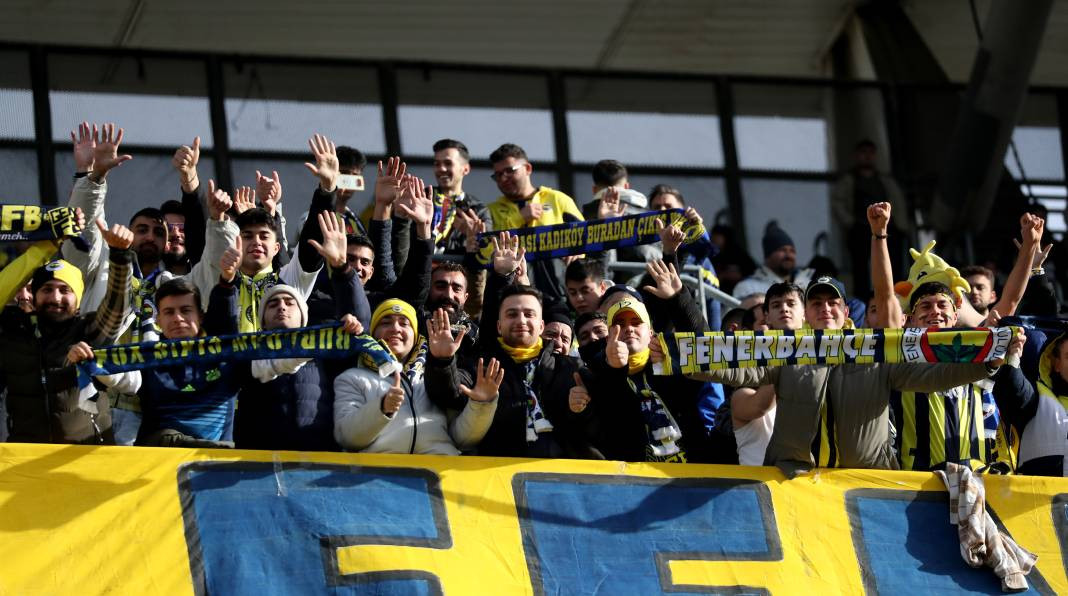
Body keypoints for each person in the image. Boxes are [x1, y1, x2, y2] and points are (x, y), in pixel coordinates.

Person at [682, 275, 1003, 476]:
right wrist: (681, 358)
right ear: (806, 313)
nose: (825, 309)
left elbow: (936, 377)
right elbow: (738, 367)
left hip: (868, 485)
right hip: (796, 482)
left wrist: (986, 364)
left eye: (833, 302)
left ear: (846, 312)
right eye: (817, 303)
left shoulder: (877, 352)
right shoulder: (787, 352)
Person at [426, 231, 587, 458]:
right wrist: (442, 361)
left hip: (564, 483)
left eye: (528, 314)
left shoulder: (572, 369)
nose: (521, 320)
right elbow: (446, 394)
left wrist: (581, 410)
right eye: (512, 314)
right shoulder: (482, 367)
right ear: (499, 326)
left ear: (542, 326)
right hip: (501, 481)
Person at [0, 217, 133, 444]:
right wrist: (46, 246)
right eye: (47, 289)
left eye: (65, 290)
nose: (55, 298)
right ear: (35, 295)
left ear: (78, 300)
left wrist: (120, 257)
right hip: (25, 458)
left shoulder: (89, 330)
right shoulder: (14, 331)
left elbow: (115, 310)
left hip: (87, 457)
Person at [571, 259, 711, 463]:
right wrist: (615, 370)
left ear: (651, 332)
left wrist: (678, 299)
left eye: (636, 322)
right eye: (619, 323)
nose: (628, 328)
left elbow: (705, 350)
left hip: (697, 478)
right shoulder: (596, 379)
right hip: (637, 487)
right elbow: (613, 418)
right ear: (609, 335)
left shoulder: (671, 364)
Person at [333, 299, 501, 454]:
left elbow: (463, 440)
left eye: (404, 323)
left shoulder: (434, 376)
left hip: (435, 476)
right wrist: (382, 408)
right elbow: (347, 437)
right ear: (373, 333)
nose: (395, 329)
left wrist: (481, 405)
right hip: (379, 477)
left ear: (415, 336)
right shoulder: (352, 378)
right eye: (385, 322)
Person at [486, 143, 583, 302]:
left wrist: (578, 251)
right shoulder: (490, 210)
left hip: (559, 293)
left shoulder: (558, 199)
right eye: (498, 174)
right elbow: (487, 250)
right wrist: (519, 218)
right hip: (513, 297)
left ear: (528, 168)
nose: (503, 178)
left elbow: (586, 236)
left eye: (510, 170)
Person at [731, 282, 804, 466]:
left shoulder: (817, 371)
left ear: (805, 314)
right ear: (768, 318)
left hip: (806, 487)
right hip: (758, 489)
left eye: (791, 303)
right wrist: (788, 350)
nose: (784, 309)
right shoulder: (741, 394)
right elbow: (760, 406)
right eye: (776, 305)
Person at [831, 139, 911, 295]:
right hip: (860, 231)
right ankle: (865, 305)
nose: (867, 157)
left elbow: (898, 204)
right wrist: (850, 222)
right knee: (861, 271)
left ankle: (897, 300)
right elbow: (837, 202)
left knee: (893, 267)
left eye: (870, 153)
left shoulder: (885, 181)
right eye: (863, 153)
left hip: (888, 231)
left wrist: (901, 226)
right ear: (856, 155)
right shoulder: (849, 180)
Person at [993, 330, 1068, 476]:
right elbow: (1015, 392)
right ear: (1056, 364)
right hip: (1037, 497)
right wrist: (1012, 357)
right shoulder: (1038, 395)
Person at [648, 184, 723, 330]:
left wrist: (696, 230)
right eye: (657, 207)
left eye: (669, 206)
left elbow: (712, 303)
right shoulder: (640, 249)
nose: (663, 211)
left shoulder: (701, 260)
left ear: (682, 211)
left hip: (690, 331)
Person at [427, 139, 492, 255]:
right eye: (437, 164)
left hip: (458, 271)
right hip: (420, 271)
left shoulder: (478, 210)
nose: (441, 169)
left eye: (448, 163)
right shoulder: (421, 198)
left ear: (465, 169)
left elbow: (487, 254)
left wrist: (473, 236)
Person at [732, 222, 814, 300]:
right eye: (782, 250)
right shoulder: (748, 288)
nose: (788, 255)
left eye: (792, 251)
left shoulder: (809, 285)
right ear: (768, 256)